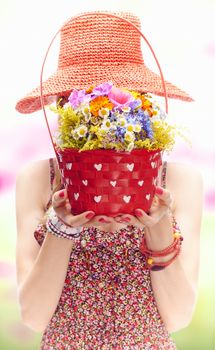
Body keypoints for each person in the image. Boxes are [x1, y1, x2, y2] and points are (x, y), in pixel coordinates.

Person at [15, 11, 203, 349]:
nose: (102, 111)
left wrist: (157, 226)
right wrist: (64, 227)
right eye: (84, 96)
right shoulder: (39, 178)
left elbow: (177, 317)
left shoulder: (178, 180)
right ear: (65, 105)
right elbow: (33, 316)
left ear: (141, 104)